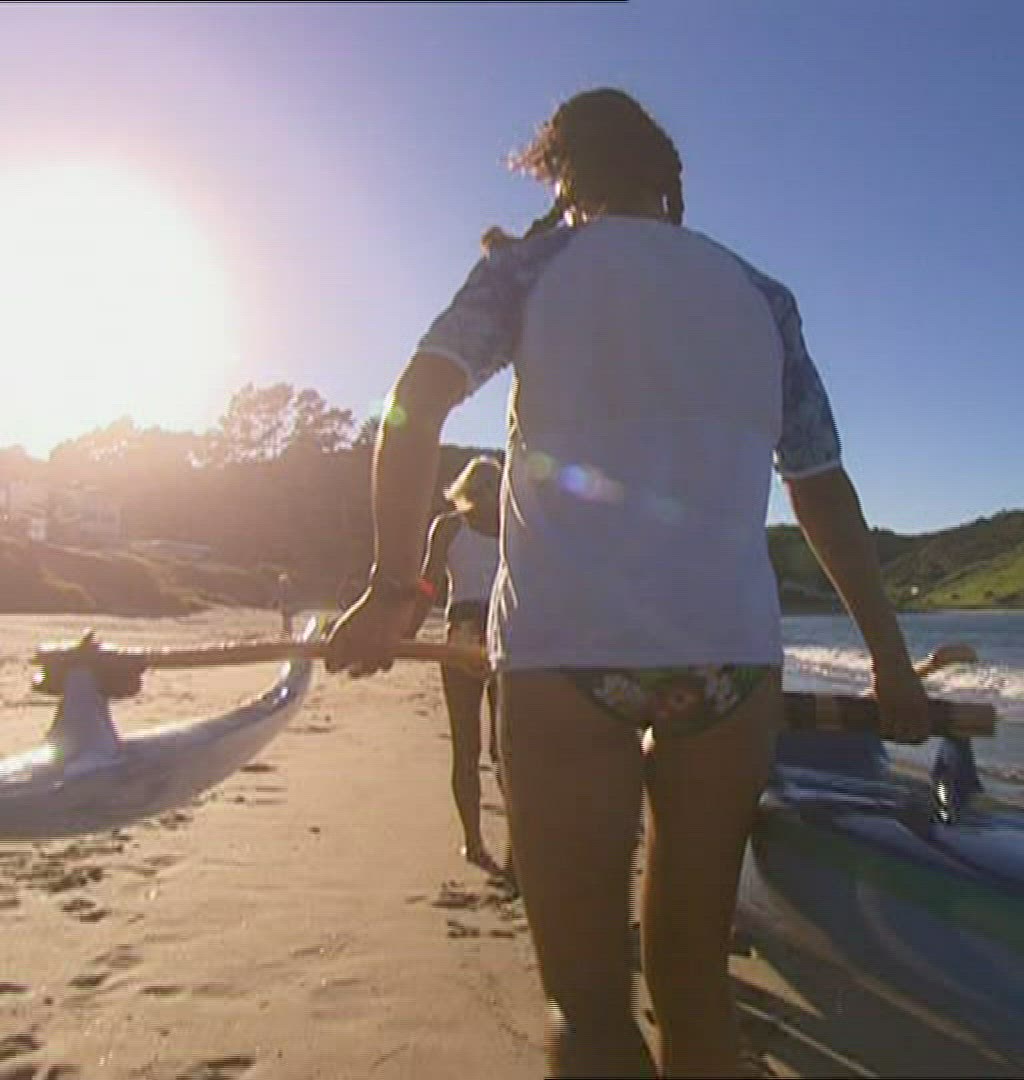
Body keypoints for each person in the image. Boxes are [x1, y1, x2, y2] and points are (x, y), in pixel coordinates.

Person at [326, 87, 931, 1078]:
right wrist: (890, 663)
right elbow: (821, 487)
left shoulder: (527, 270)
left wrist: (394, 586)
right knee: (694, 986)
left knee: (588, 1006)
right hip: (730, 662)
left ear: (561, 177)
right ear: (669, 186)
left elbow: (411, 406)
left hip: (566, 655)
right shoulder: (761, 295)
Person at [406, 453, 504, 872]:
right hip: (476, 636)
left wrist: (406, 634)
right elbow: (428, 584)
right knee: (474, 747)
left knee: (494, 748)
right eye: (482, 486)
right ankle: (478, 841)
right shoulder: (451, 527)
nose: (487, 495)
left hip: (490, 635)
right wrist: (408, 632)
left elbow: (428, 585)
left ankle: (493, 844)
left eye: (493, 486)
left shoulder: (509, 530)